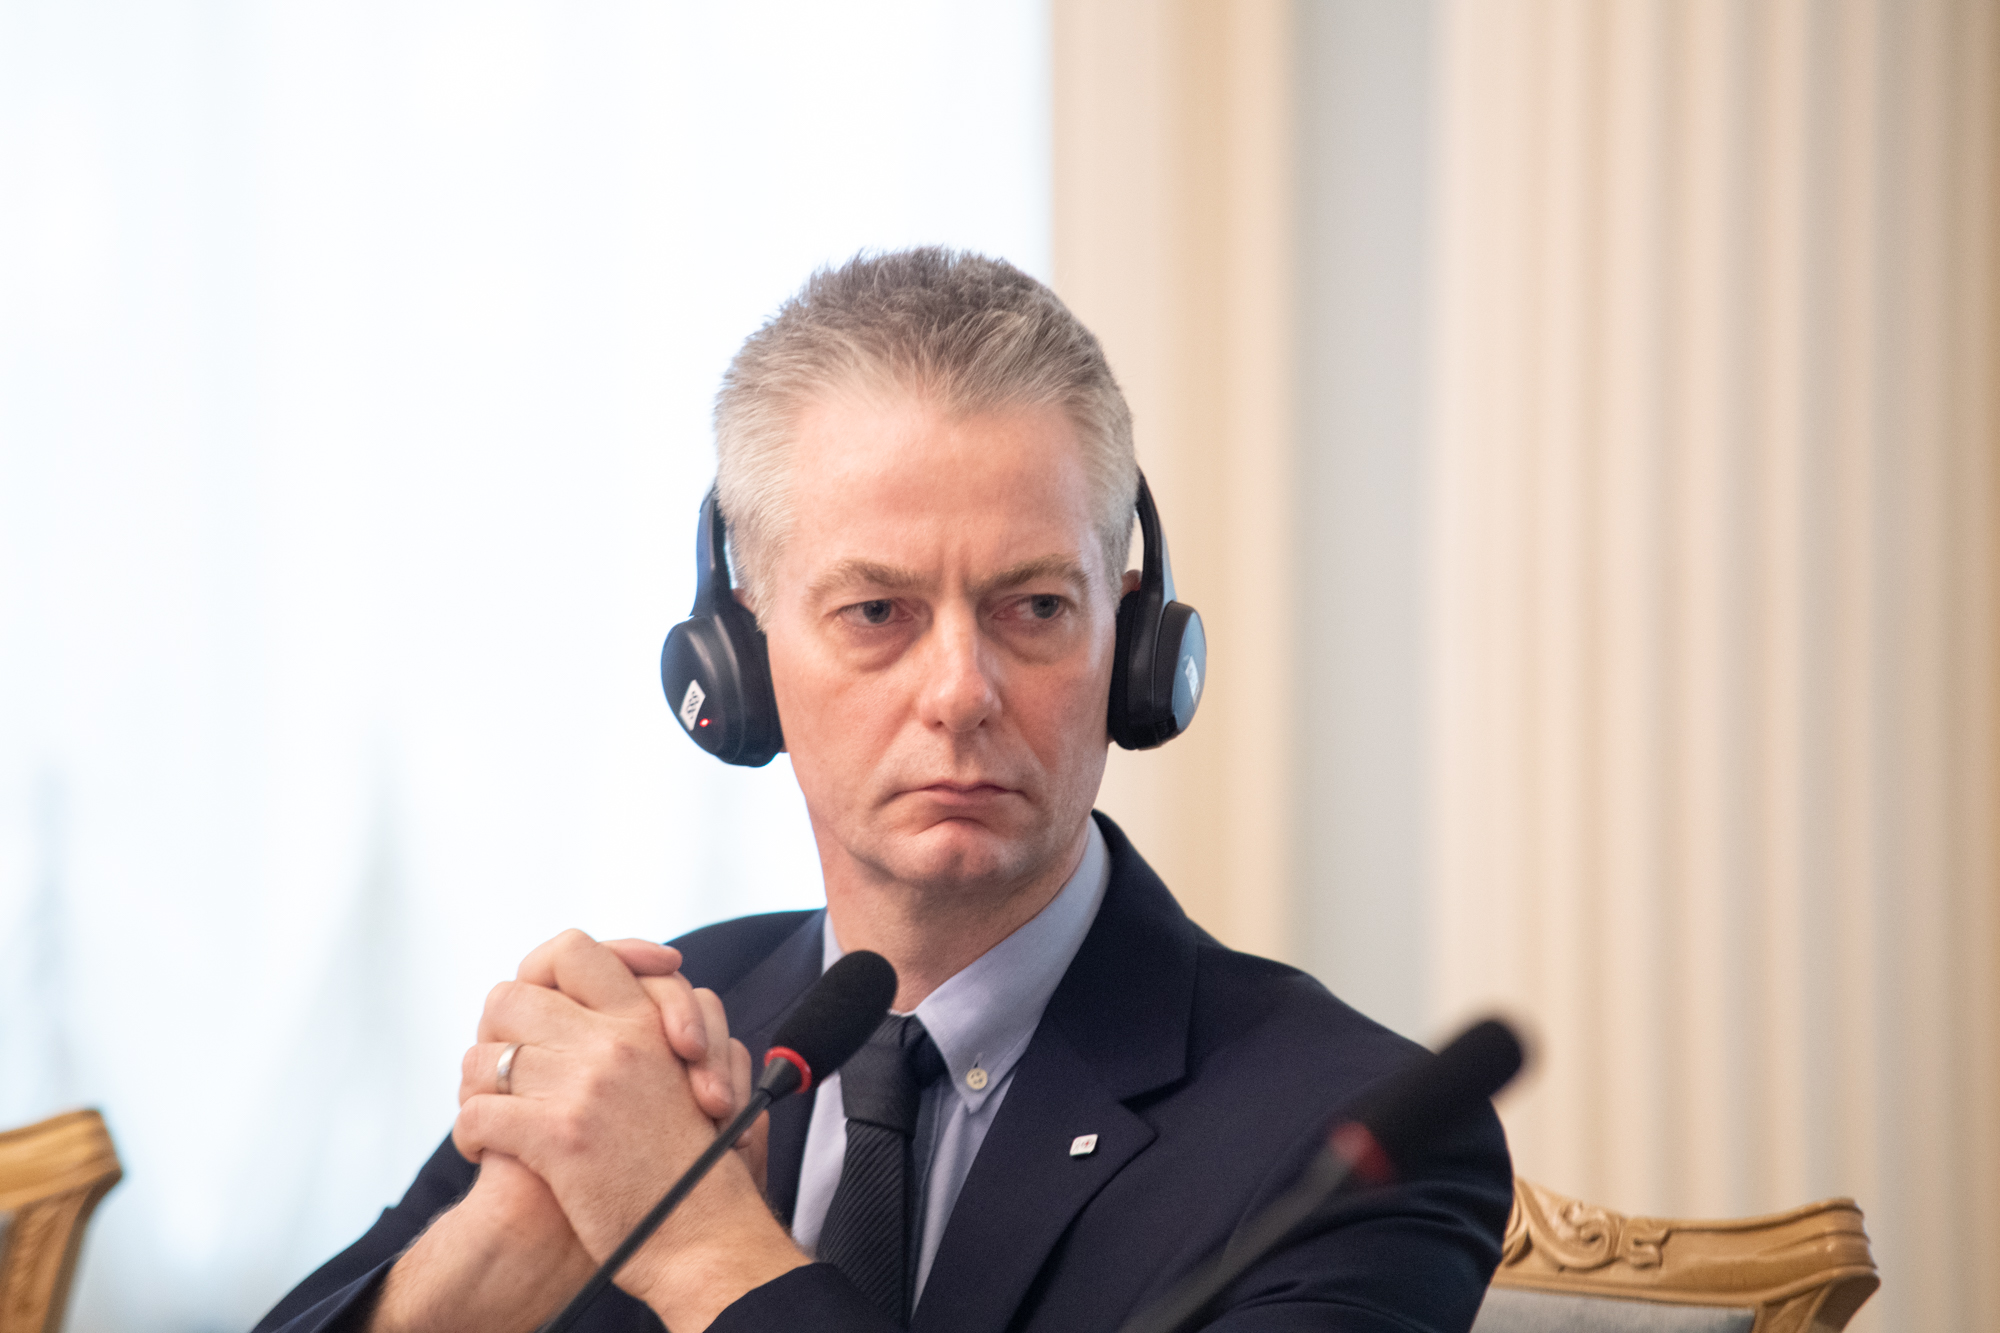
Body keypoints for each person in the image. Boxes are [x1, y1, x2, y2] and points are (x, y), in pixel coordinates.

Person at [254, 249, 1511, 1333]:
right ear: (740, 656)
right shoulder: (659, 1040)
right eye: (875, 611)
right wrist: (498, 1259)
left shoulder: (1352, 1139)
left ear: (1133, 651)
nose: (959, 691)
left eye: (1033, 608)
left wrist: (695, 1243)